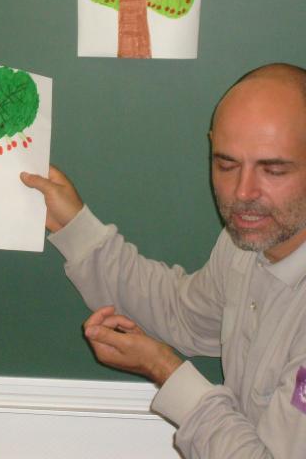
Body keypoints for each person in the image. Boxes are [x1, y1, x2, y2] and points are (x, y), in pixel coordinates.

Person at [20, 62, 306, 458]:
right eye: (226, 164)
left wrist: (166, 372)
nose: (242, 192)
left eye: (273, 170)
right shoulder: (247, 244)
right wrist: (75, 226)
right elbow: (184, 313)